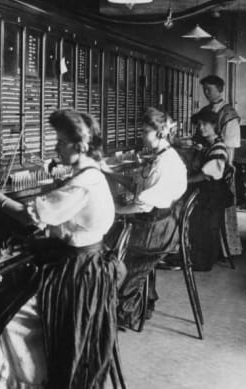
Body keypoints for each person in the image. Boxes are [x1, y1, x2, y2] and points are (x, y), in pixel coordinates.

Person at [0, 109, 122, 389]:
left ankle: (24, 382)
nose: (55, 148)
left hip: (77, 278)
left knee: (5, 314)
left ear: (80, 146)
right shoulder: (92, 172)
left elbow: (31, 216)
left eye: (61, 143)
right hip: (90, 269)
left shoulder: (82, 185)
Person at [106, 107, 188, 327]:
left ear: (160, 133)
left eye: (145, 132)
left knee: (107, 245)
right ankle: (140, 305)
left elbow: (141, 206)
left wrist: (111, 210)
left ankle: (123, 310)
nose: (141, 136)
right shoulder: (161, 156)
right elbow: (137, 185)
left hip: (156, 230)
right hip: (159, 224)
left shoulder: (164, 164)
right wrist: (107, 173)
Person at [198, 74, 243, 258]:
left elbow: (230, 144)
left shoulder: (229, 114)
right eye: (204, 89)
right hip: (210, 158)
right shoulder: (207, 110)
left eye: (209, 89)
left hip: (222, 164)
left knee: (221, 209)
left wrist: (227, 166)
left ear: (220, 89)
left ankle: (225, 250)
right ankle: (208, 246)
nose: (206, 93)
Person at [187, 110, 233, 271]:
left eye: (204, 124)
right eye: (198, 124)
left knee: (202, 225)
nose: (200, 128)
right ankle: (190, 254)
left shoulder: (218, 148)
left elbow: (207, 174)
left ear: (214, 126)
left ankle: (202, 261)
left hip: (212, 194)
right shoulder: (208, 145)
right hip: (207, 192)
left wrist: (185, 181)